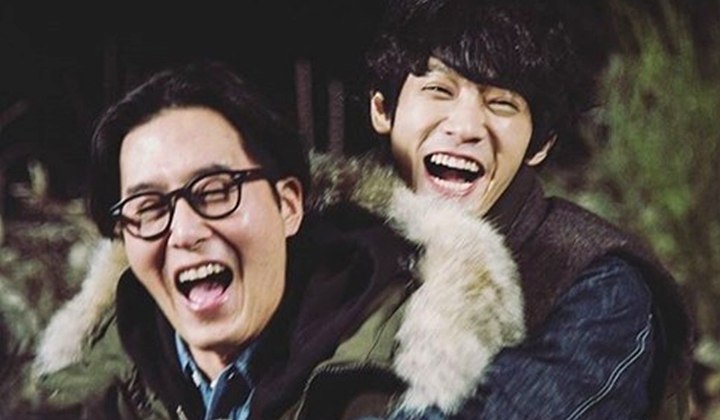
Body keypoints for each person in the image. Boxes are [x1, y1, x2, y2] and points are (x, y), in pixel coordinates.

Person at [279, 0, 694, 419]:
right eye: (439, 90)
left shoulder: (597, 284)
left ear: (539, 145)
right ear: (383, 109)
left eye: (501, 104)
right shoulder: (316, 239)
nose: (465, 128)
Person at [14, 61, 314, 419]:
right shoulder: (78, 401)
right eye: (150, 207)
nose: (184, 233)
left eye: (215, 191)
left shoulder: (369, 387)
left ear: (288, 205)